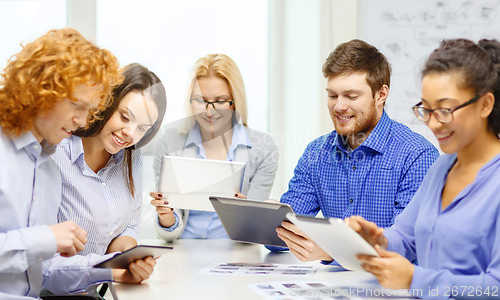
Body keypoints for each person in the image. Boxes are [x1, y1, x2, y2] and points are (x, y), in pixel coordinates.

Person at [347, 39, 500, 298]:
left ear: (485, 104)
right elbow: (406, 237)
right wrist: (377, 241)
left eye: (444, 109)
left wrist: (415, 279)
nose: (433, 123)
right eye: (426, 109)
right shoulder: (441, 168)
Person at [274, 39, 439, 261]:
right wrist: (269, 219)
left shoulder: (417, 155)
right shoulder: (316, 153)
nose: (339, 106)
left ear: (381, 95)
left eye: (351, 96)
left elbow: (411, 244)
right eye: (332, 95)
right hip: (334, 287)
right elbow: (285, 235)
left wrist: (335, 250)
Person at [0, 28, 122, 299]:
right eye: (76, 106)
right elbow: (37, 245)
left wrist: (110, 268)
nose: (83, 121)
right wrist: (46, 238)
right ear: (41, 91)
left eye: (89, 110)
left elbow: (40, 271)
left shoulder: (48, 169)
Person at [43, 63, 167, 291]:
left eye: (142, 128)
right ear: (107, 102)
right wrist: (109, 270)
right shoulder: (55, 152)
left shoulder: (131, 157)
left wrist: (129, 258)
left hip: (91, 293)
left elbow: (127, 226)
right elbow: (42, 262)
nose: (130, 134)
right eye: (125, 117)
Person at [148, 54, 279, 240]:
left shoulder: (264, 149)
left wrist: (245, 215)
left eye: (219, 101)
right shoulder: (169, 142)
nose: (209, 111)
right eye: (201, 101)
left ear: (235, 101)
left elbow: (252, 232)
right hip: (183, 252)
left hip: (236, 254)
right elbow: (168, 230)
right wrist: (166, 215)